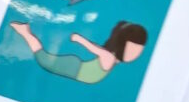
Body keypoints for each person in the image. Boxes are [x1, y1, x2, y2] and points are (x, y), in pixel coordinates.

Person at [9, 20, 147, 85]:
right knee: (43, 59)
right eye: (133, 49)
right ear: (122, 45)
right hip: (75, 69)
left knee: (44, 59)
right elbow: (94, 48)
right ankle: (25, 32)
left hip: (76, 68)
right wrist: (79, 39)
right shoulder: (109, 58)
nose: (136, 54)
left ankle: (25, 32)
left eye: (139, 50)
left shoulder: (112, 58)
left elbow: (99, 50)